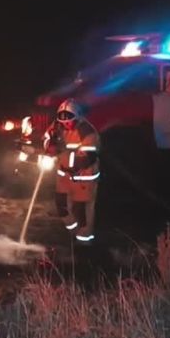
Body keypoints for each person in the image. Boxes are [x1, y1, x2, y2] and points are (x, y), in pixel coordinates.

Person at [43, 98, 101, 245]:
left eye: (69, 121)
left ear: (77, 117)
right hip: (64, 176)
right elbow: (46, 137)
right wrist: (48, 144)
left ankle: (84, 243)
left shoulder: (88, 132)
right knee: (62, 207)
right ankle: (73, 234)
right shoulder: (58, 126)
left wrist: (59, 151)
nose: (65, 124)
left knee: (81, 212)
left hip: (83, 178)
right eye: (62, 121)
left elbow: (84, 160)